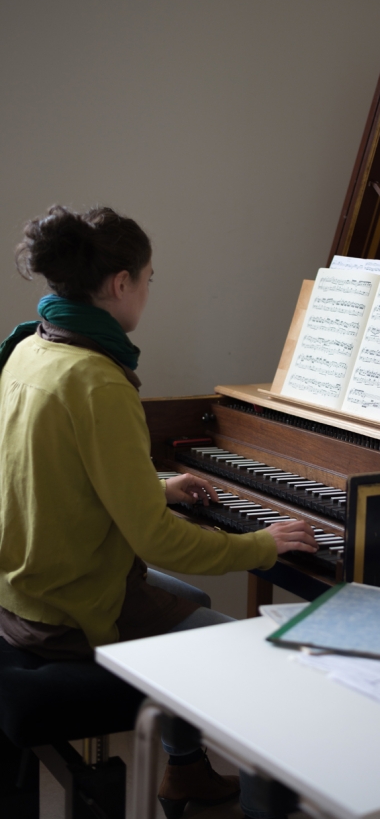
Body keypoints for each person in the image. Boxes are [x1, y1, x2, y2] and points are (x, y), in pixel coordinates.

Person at [0, 204, 318, 818]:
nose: (149, 290)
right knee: (272, 664)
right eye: (150, 278)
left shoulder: (28, 349)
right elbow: (160, 544)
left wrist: (156, 488)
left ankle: (187, 772)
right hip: (71, 613)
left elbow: (55, 471)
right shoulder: (98, 379)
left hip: (22, 591)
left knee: (190, 602)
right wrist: (264, 544)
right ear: (121, 283)